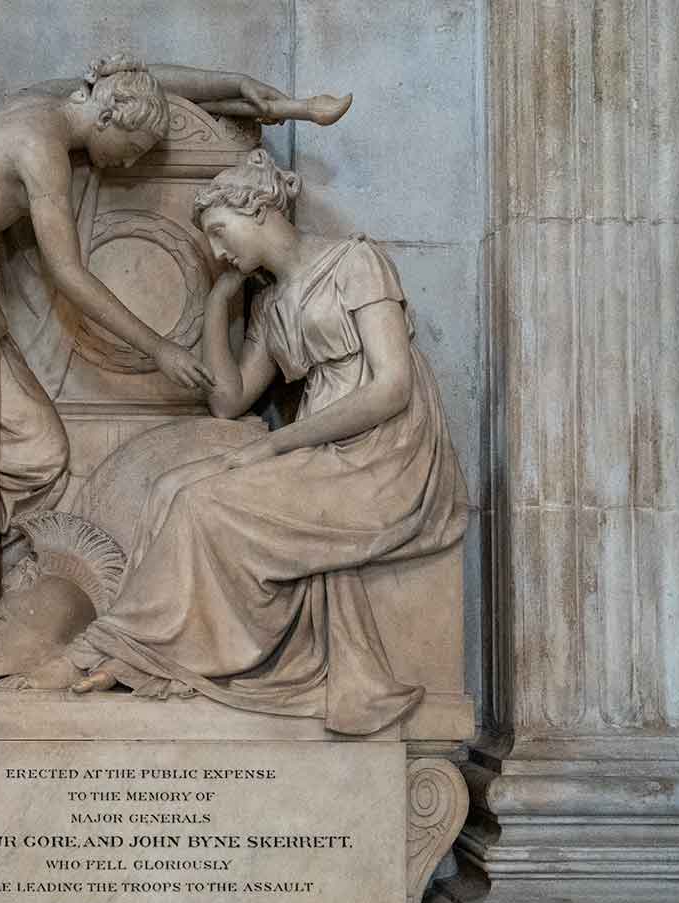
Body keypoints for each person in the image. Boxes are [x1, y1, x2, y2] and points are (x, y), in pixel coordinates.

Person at [0, 61, 297, 687]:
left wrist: (232, 85)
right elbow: (69, 274)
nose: (125, 165)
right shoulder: (41, 147)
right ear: (112, 118)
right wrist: (161, 350)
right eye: (133, 149)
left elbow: (140, 75)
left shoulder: (40, 101)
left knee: (35, 446)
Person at [32, 149, 469, 736]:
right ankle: (137, 649)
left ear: (257, 209)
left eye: (219, 231)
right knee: (171, 486)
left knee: (203, 502)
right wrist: (219, 302)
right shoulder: (269, 306)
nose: (216, 251)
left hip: (385, 451)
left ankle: (125, 652)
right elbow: (228, 400)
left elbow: (392, 388)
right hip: (325, 447)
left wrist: (275, 445)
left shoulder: (355, 262)